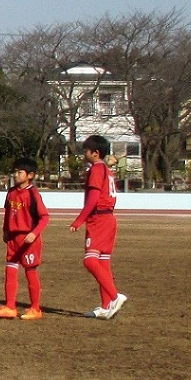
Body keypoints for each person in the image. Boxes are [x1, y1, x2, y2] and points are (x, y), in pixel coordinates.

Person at [73, 135, 127, 319]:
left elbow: (94, 199)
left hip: (99, 219)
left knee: (90, 261)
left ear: (95, 153)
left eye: (85, 151)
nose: (84, 154)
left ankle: (114, 296)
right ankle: (105, 306)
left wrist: (79, 220)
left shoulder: (97, 169)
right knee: (103, 263)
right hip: (109, 218)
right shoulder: (106, 169)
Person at [0, 158, 50, 320]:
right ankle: (10, 306)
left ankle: (35, 308)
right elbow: (8, 213)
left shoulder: (33, 194)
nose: (15, 175)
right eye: (15, 172)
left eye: (19, 172)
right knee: (10, 270)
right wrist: (5, 230)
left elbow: (44, 217)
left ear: (30, 175)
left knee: (30, 272)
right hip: (13, 238)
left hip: (28, 239)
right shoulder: (11, 192)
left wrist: (34, 233)